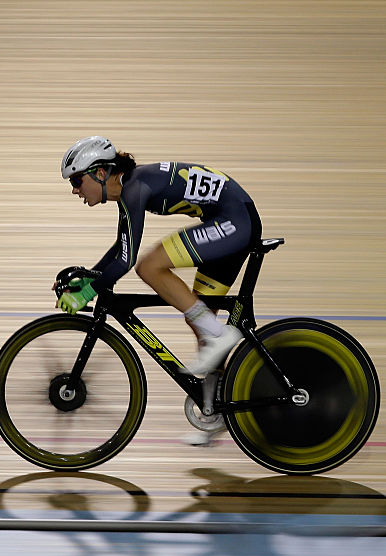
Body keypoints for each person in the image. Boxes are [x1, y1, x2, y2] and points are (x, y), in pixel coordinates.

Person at [56, 136, 262, 377]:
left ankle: (220, 335)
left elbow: (126, 259)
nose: (74, 189)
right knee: (200, 317)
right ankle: (217, 401)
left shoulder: (135, 189)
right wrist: (89, 279)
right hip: (234, 220)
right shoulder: (130, 188)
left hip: (236, 221)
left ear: (100, 173)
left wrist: (88, 293)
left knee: (149, 266)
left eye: (77, 179)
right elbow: (120, 247)